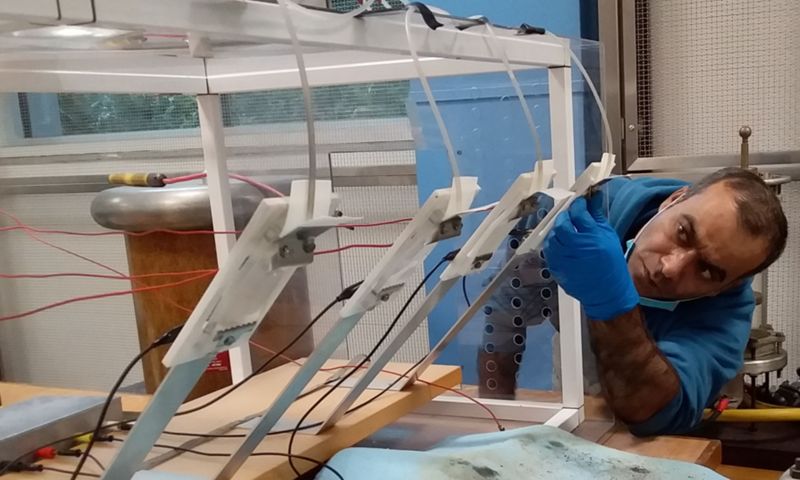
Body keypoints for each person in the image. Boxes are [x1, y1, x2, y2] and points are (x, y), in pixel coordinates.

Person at [538, 167, 788, 436]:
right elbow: (508, 299)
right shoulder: (600, 204)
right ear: (674, 200)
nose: (670, 268)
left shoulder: (725, 318)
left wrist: (613, 307)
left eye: (706, 271)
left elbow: (654, 412)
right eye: (683, 232)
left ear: (726, 287)